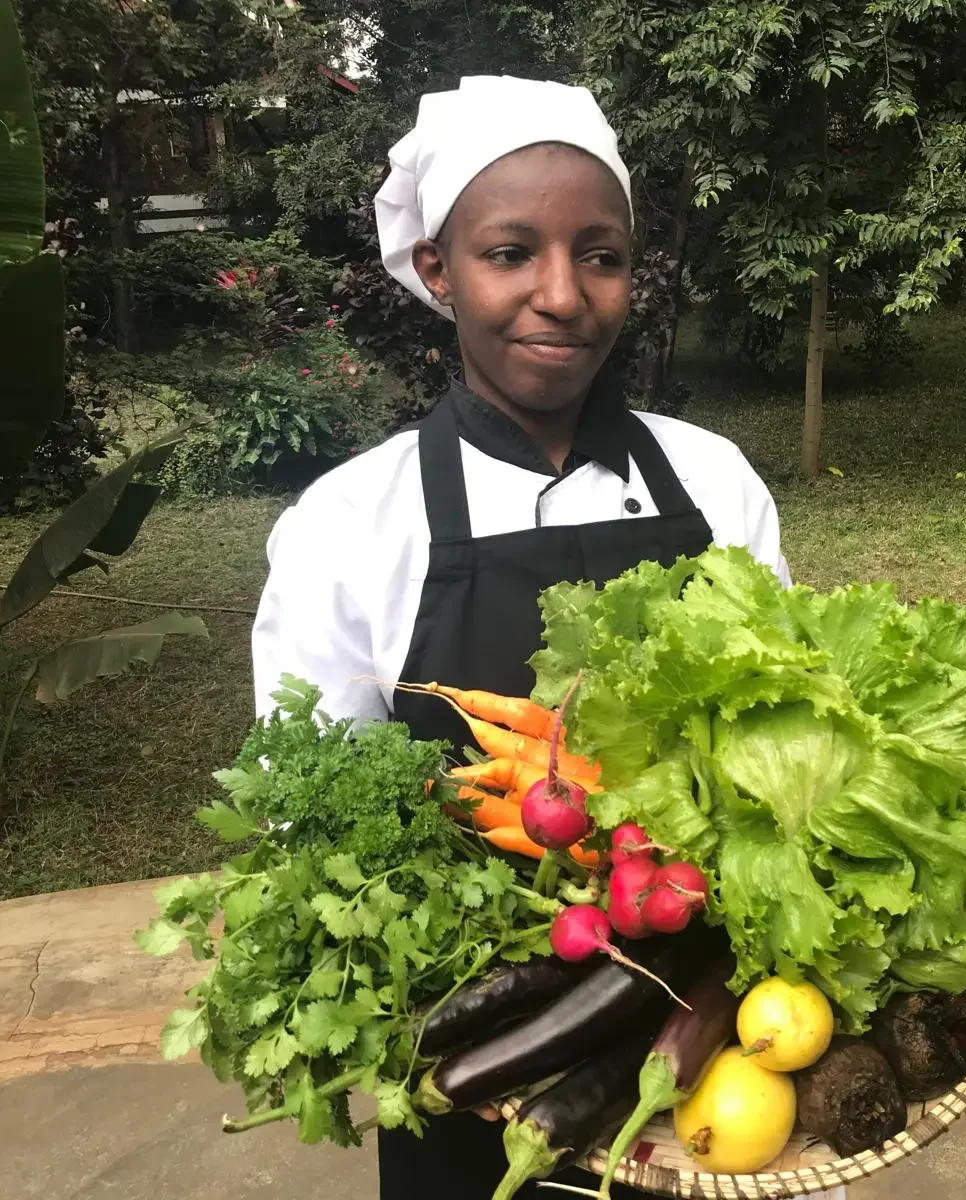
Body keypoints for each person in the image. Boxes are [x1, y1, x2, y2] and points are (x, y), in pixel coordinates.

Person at [252, 74, 791, 1200]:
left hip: (694, 1041)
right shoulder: (354, 524)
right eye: (511, 253)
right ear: (438, 270)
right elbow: (308, 805)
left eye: (599, 255)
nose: (562, 294)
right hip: (483, 1049)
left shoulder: (712, 481)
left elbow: (780, 731)